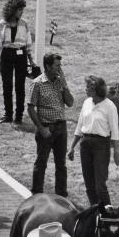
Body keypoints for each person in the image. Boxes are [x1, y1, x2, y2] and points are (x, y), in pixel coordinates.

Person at [68, 76, 119, 207]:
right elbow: (80, 125)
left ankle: (108, 213)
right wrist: (72, 147)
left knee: (100, 185)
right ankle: (95, 212)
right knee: (89, 184)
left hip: (101, 145)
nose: (85, 89)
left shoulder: (110, 106)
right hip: (85, 143)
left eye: (88, 87)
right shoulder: (87, 102)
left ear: (95, 90)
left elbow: (115, 131)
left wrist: (116, 152)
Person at [27, 53, 74, 197]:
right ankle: (37, 194)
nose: (60, 69)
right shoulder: (38, 83)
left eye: (60, 65)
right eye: (57, 66)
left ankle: (61, 195)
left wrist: (64, 85)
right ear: (48, 66)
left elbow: (70, 103)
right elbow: (30, 108)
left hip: (61, 127)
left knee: (61, 164)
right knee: (41, 163)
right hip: (46, 128)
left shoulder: (60, 83)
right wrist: (41, 128)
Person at [0, 0, 34, 124]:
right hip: (7, 55)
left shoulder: (24, 24)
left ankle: (19, 116)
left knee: (20, 86)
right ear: (12, 10)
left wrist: (31, 61)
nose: (21, 12)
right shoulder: (0, 25)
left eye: (22, 10)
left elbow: (28, 44)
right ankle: (8, 115)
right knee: (7, 85)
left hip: (21, 55)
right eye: (19, 10)